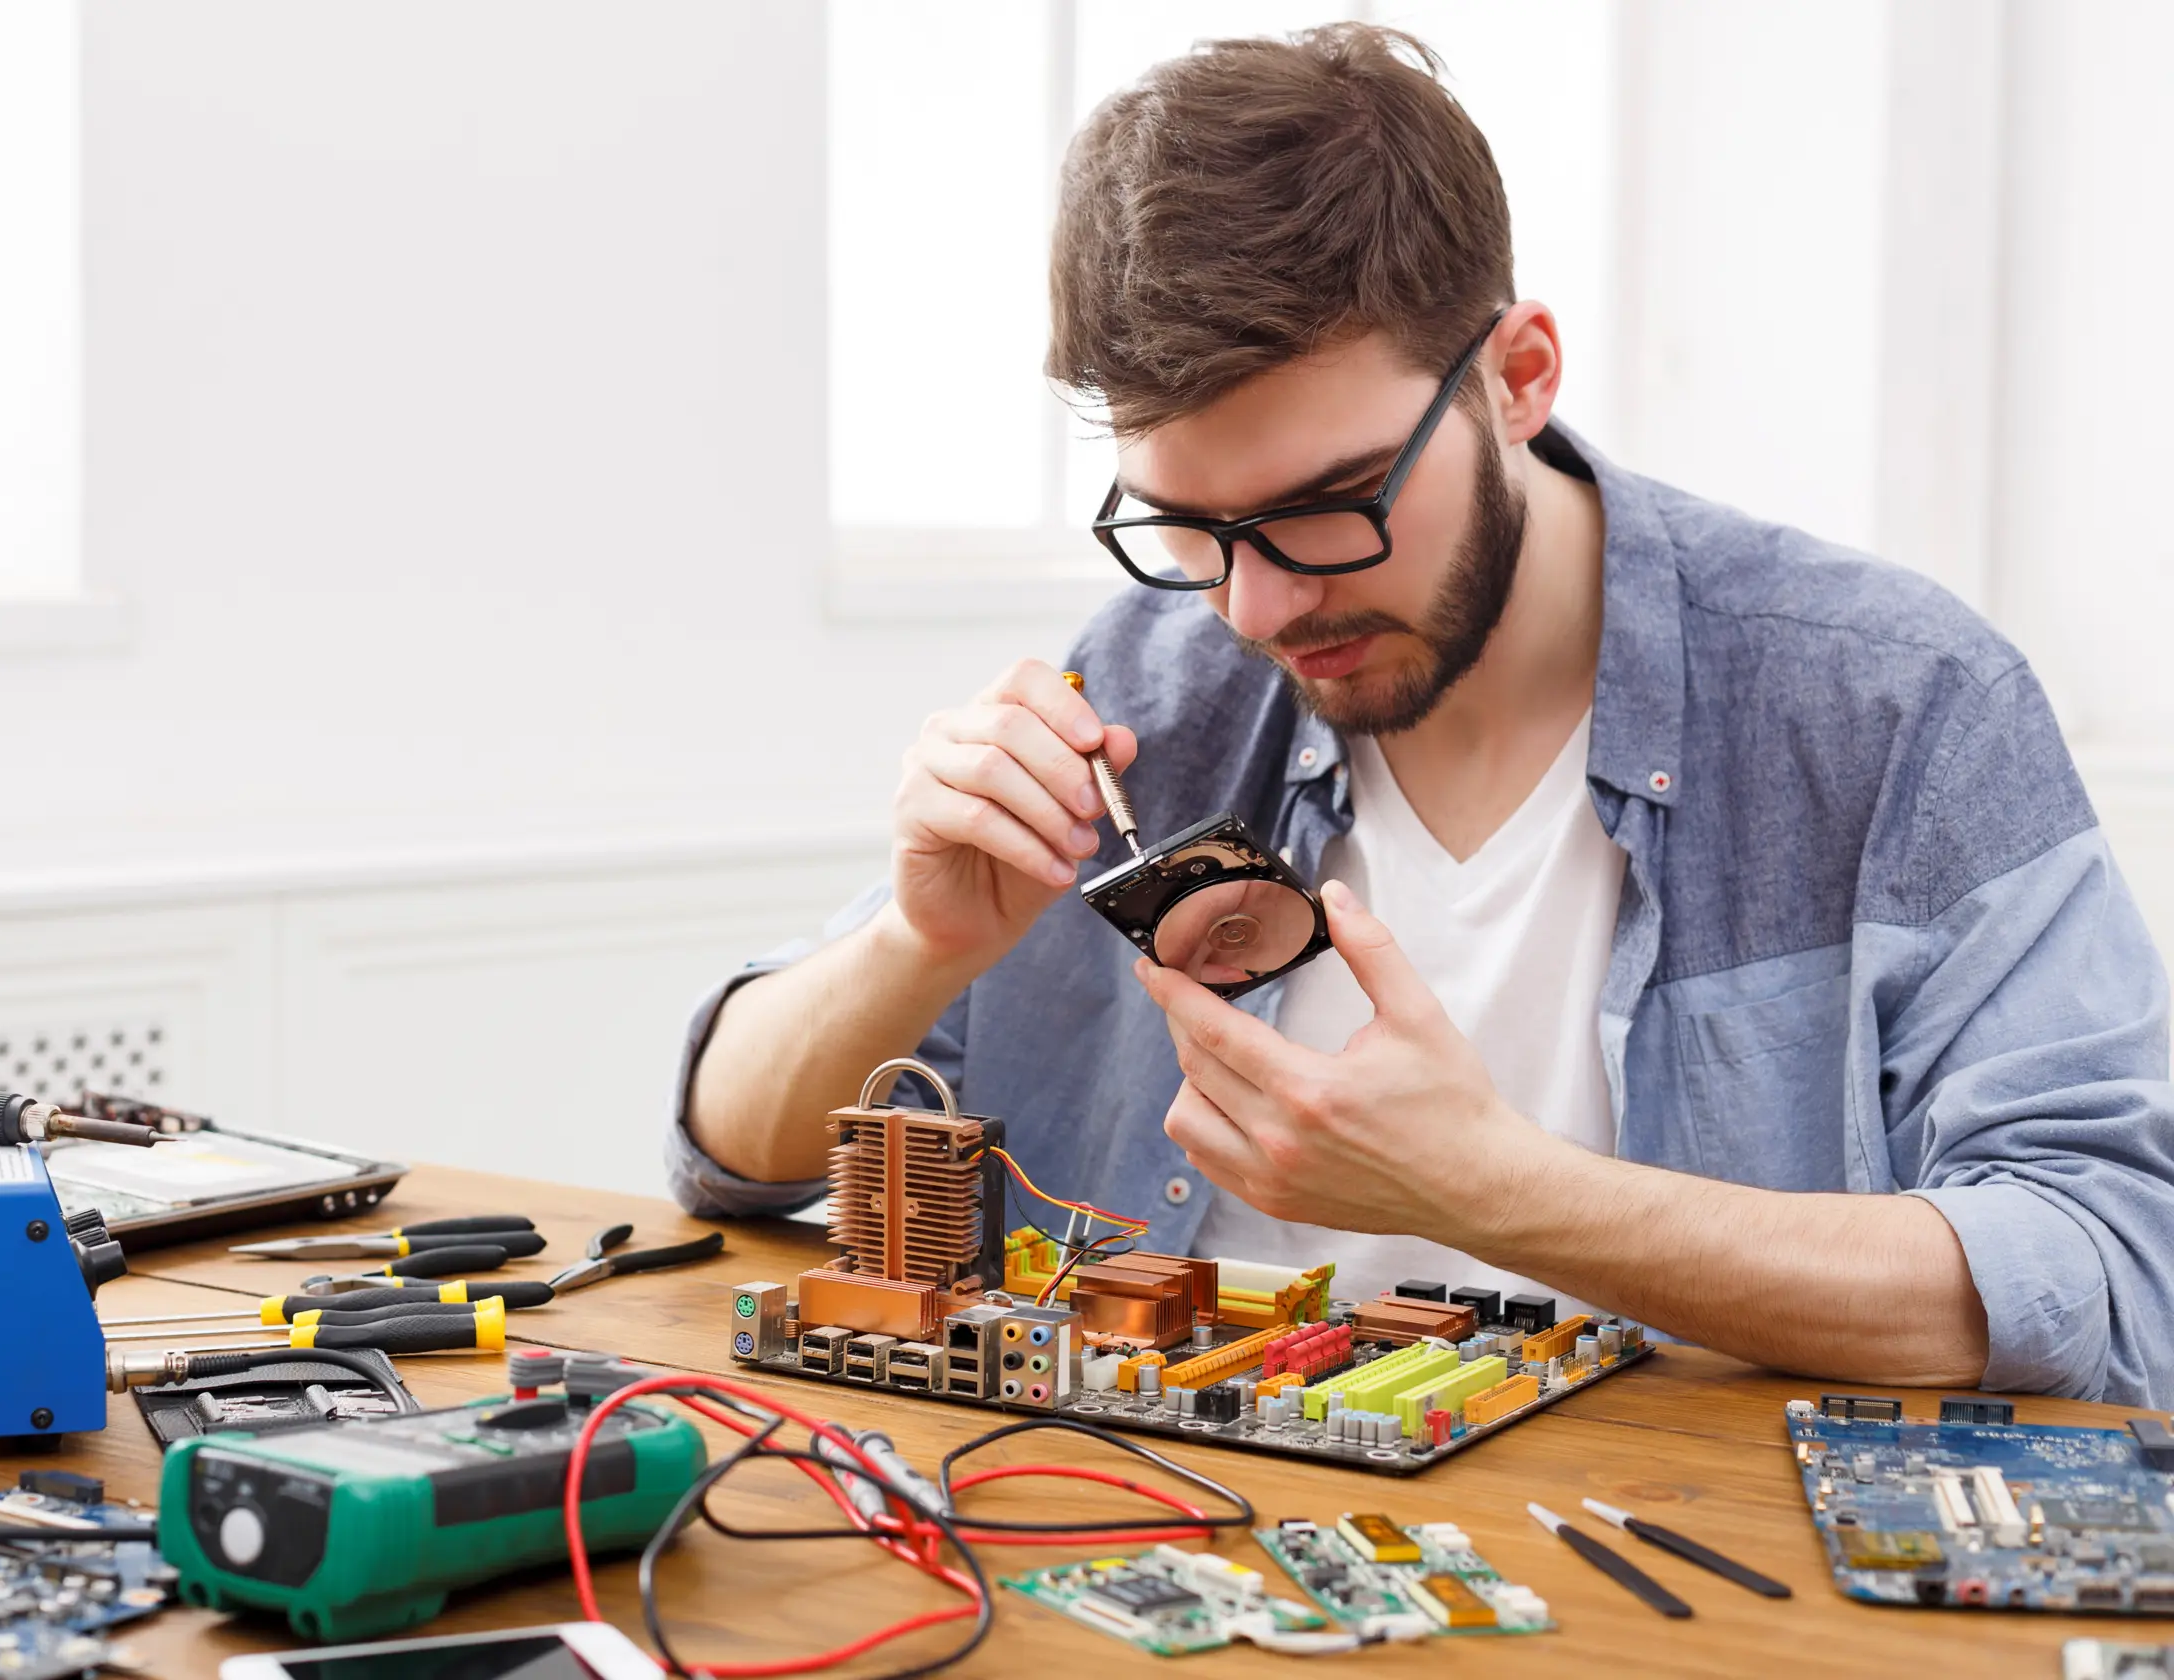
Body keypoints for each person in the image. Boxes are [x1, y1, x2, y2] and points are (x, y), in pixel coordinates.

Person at [669, 25, 2174, 1404]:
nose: (1252, 610)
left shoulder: (1892, 708)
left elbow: (2113, 1275)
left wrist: (1495, 1189)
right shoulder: (1153, 679)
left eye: (1327, 509)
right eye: (1186, 525)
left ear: (1518, 378)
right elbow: (728, 1151)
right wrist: (909, 947)